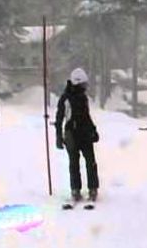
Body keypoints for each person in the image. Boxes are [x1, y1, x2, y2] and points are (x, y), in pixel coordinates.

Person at [55, 68, 100, 202]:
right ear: (77, 83)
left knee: (90, 162)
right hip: (71, 135)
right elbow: (59, 118)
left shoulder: (83, 97)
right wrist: (58, 136)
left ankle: (93, 188)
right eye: (84, 85)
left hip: (85, 133)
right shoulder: (65, 98)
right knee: (74, 163)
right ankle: (75, 189)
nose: (85, 87)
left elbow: (86, 116)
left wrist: (93, 130)